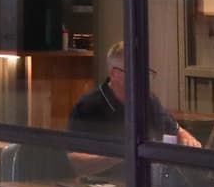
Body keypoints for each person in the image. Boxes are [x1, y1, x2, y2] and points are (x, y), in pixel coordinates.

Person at [66, 42, 198, 174]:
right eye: (135, 71)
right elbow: (75, 161)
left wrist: (188, 141)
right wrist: (121, 154)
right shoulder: (88, 106)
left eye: (145, 72)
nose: (143, 78)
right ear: (114, 74)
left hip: (148, 182)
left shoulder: (148, 99)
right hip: (106, 185)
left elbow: (176, 129)